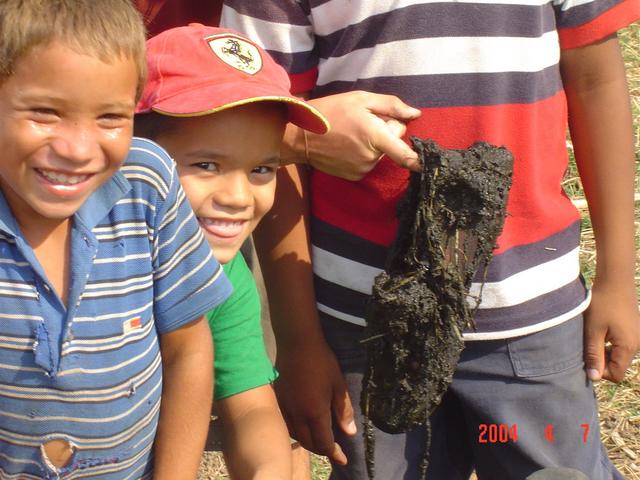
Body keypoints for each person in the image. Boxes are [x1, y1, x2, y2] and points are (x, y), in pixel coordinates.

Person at [222, 1, 640, 479]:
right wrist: (298, 339)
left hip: (531, 314)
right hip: (364, 322)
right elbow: (266, 118)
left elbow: (596, 80)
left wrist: (617, 278)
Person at [0, 1, 234, 479]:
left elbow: (188, 347)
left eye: (110, 117)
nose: (79, 149)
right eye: (44, 113)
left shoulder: (147, 183)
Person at [134, 23, 330, 479]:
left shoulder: (222, 280)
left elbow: (250, 409)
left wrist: (267, 468)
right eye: (207, 165)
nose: (240, 196)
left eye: (262, 169)